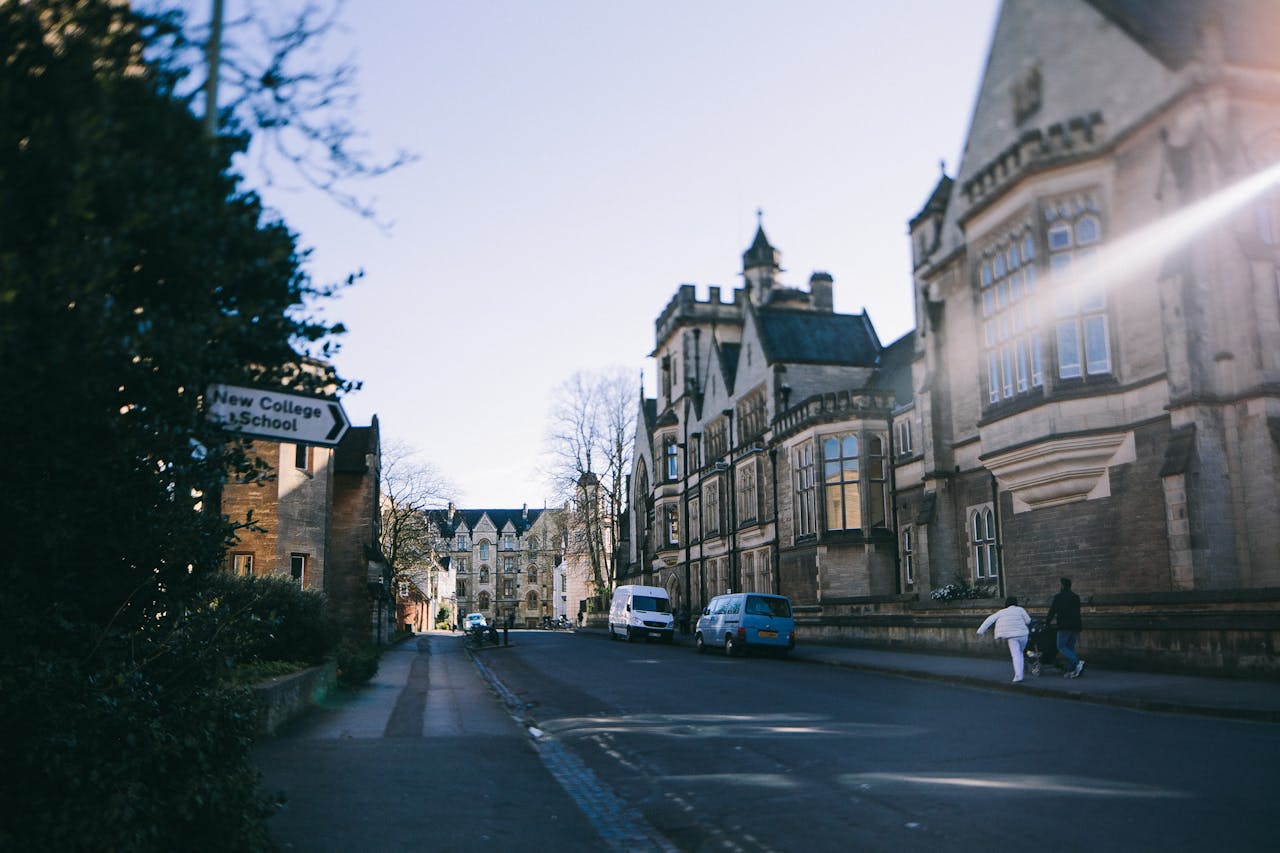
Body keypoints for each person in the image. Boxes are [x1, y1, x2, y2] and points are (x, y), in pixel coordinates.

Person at [977, 595, 1033, 682]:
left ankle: (1018, 676)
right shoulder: (1020, 609)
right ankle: (1022, 667)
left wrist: (980, 631)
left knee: (1016, 655)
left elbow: (989, 620)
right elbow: (1028, 621)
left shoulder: (1001, 612)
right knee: (1020, 653)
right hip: (1023, 635)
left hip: (1011, 636)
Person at [1046, 577, 1085, 678]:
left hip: (1064, 626)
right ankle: (1072, 670)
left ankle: (1077, 663)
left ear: (1062, 586)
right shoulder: (1076, 597)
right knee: (1070, 648)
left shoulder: (1058, 597)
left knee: (1061, 646)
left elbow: (1052, 611)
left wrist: (1047, 622)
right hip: (1076, 626)